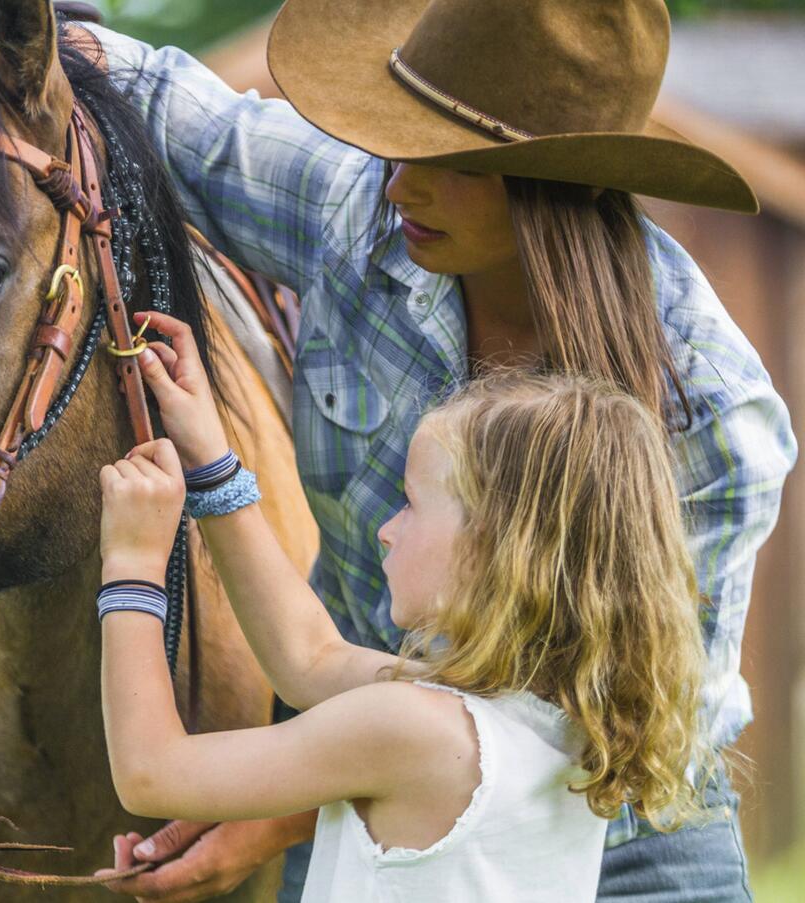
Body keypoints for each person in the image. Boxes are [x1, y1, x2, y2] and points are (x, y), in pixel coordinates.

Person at [68, 0, 797, 900]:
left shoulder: (714, 412)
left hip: (630, 819)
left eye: (444, 162)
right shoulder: (364, 208)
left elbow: (637, 724)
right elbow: (172, 102)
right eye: (395, 140)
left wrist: (296, 794)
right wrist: (18, 39)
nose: (397, 185)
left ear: (550, 186)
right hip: (372, 751)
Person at [95, 363, 714, 902]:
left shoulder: (419, 731)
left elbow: (152, 772)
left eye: (412, 503)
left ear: (495, 548)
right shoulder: (553, 722)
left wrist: (133, 564)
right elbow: (309, 657)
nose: (387, 529)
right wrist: (210, 460)